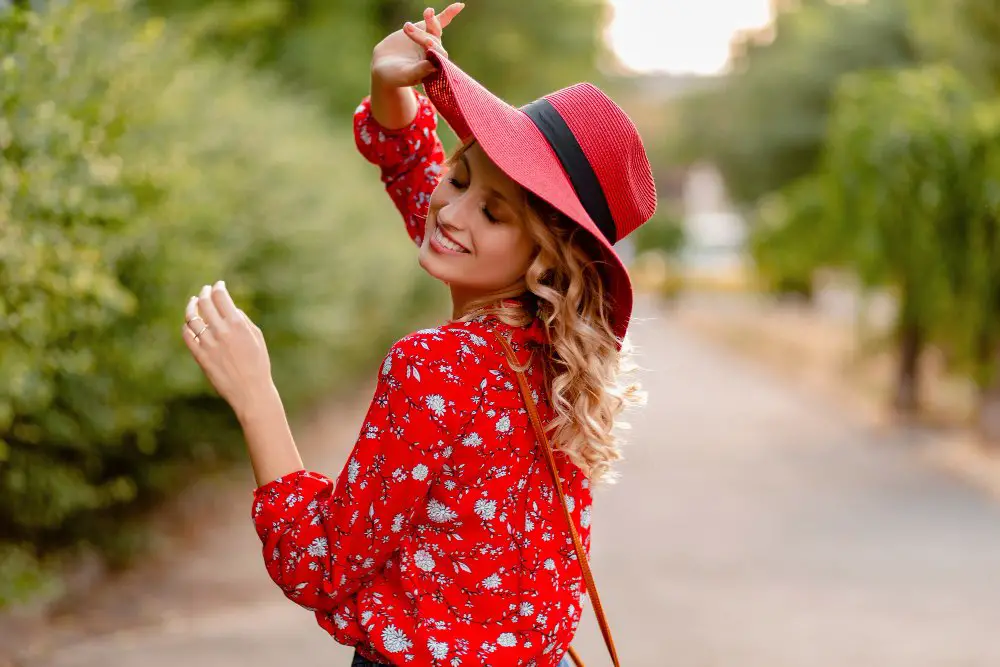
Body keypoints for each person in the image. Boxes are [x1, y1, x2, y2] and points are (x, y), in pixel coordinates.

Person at [181, 4, 656, 666]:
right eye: (459, 177)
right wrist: (391, 85)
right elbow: (422, 185)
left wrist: (253, 391)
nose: (451, 210)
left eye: (491, 210)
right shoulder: (557, 353)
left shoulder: (436, 366)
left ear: (543, 258)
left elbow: (319, 563)